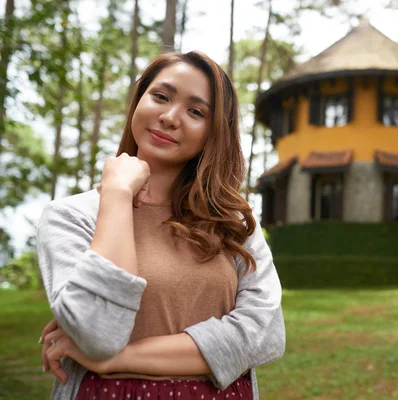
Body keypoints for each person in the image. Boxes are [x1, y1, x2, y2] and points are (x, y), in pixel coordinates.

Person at [36, 50, 285, 400]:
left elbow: (264, 334)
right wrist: (118, 194)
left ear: (213, 134)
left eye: (196, 112)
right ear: (139, 101)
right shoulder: (71, 216)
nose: (169, 117)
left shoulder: (233, 224)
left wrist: (118, 358)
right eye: (161, 96)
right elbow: (97, 331)